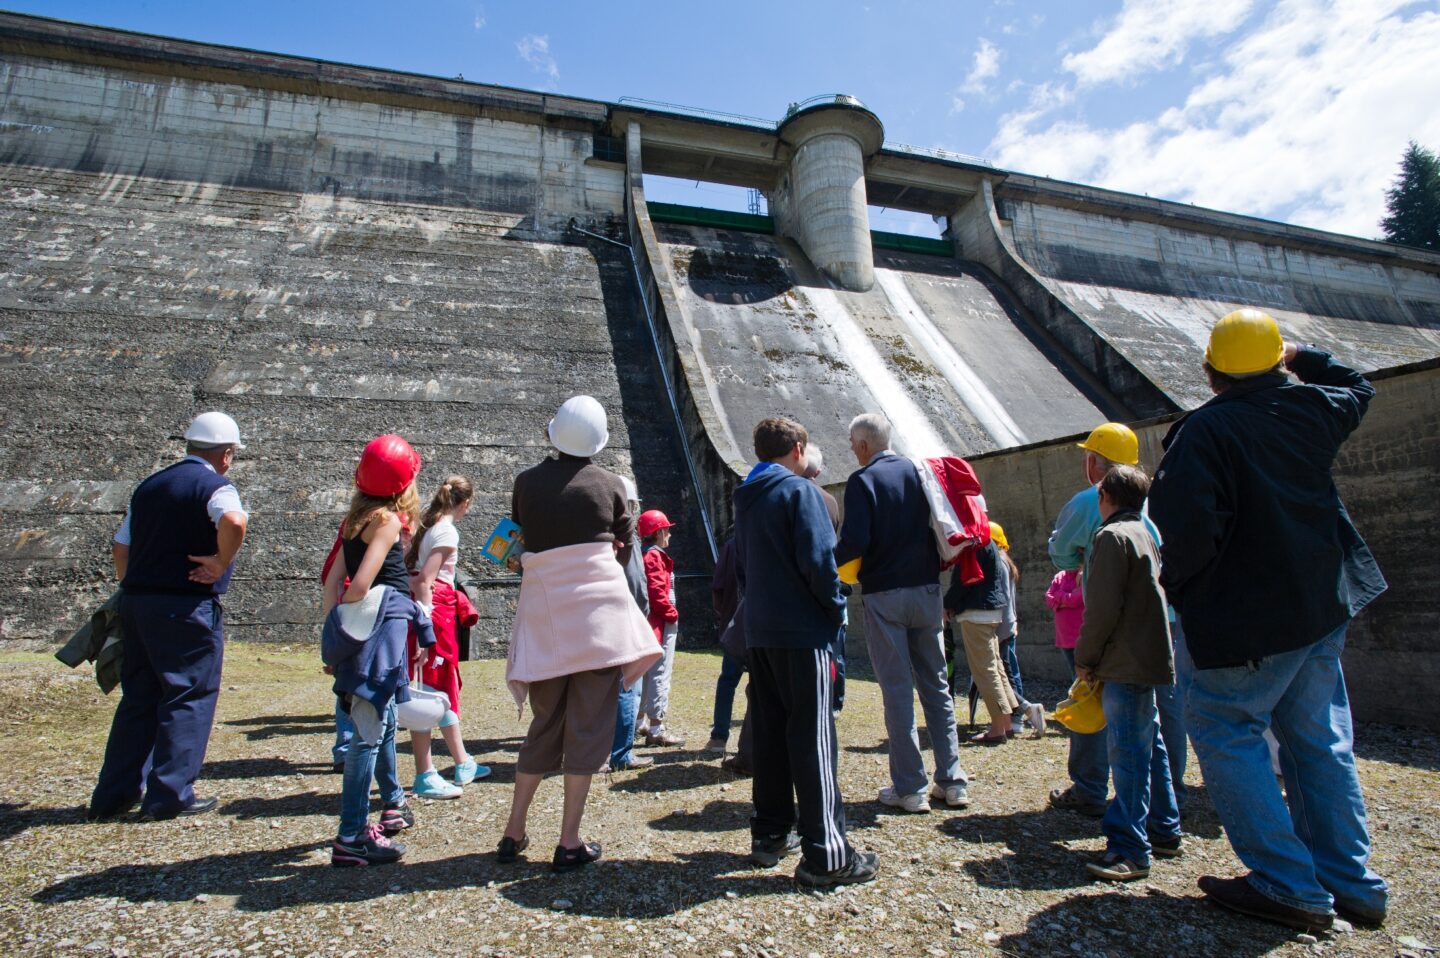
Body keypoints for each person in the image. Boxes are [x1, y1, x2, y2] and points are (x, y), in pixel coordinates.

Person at [1149, 310, 1388, 932]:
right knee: (1319, 741)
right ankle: (1351, 884)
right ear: (1278, 361)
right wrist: (1303, 354)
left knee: (1226, 727)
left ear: (1211, 372)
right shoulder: (1315, 409)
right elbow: (1359, 386)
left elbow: (1184, 532)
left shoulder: (1205, 431)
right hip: (1322, 604)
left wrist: (1182, 590)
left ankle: (1287, 885)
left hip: (1252, 617)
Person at [501, 396, 662, 871]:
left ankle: (513, 830)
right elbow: (622, 547)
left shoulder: (526, 483)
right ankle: (568, 840)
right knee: (589, 727)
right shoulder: (612, 485)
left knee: (544, 723)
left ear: (553, 434)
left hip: (546, 615)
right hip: (597, 623)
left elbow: (518, 536)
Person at [734, 416, 877, 887]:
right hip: (801, 631)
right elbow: (819, 562)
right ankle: (827, 855)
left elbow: (742, 567)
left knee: (771, 733)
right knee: (813, 737)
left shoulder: (747, 498)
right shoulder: (803, 494)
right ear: (797, 448)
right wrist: (837, 605)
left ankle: (771, 833)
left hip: (761, 630)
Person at [89, 412, 249, 822]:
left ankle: (114, 794)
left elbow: (120, 544)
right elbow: (234, 520)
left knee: (139, 696)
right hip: (186, 606)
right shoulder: (215, 486)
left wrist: (133, 586)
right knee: (188, 694)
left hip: (138, 603)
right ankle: (170, 794)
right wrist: (219, 561)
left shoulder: (149, 487)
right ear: (226, 454)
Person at [1045, 422, 1186, 819]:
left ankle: (1096, 793)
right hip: (1165, 612)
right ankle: (1168, 802)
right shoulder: (1151, 498)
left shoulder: (1092, 501)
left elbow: (1062, 554)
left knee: (1096, 697)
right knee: (1161, 710)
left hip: (1118, 622)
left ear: (1094, 463)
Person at [835, 413, 968, 813]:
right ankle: (953, 780)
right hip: (927, 589)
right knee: (937, 686)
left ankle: (911, 789)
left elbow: (855, 541)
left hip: (884, 594)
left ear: (861, 445)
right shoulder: (918, 471)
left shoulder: (863, 481)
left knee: (897, 691)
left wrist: (823, 561)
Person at [1073, 466, 1182, 882]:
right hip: (1147, 657)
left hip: (1123, 660)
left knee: (1129, 755)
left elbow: (1100, 609)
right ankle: (1164, 828)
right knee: (1149, 745)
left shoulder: (1110, 537)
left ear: (1106, 497)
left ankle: (1130, 849)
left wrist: (1086, 657)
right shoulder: (1144, 532)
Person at [322, 434, 427, 866]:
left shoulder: (355, 519)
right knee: (367, 736)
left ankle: (390, 807)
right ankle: (351, 836)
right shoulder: (386, 521)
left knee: (380, 727)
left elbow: (332, 584)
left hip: (361, 634)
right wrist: (360, 628)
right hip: (379, 633)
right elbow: (361, 585)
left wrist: (338, 636)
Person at [405, 475, 490, 797]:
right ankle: (430, 771)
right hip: (435, 611)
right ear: (465, 503)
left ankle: (460, 760)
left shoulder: (428, 525)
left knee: (435, 684)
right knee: (435, 685)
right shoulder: (446, 531)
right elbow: (426, 580)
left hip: (430, 608)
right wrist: (426, 625)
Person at [944, 535, 1021, 745]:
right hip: (991, 611)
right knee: (995, 668)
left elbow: (963, 580)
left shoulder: (972, 544)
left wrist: (946, 604)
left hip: (976, 612)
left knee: (984, 671)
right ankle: (1005, 722)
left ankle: (998, 728)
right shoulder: (987, 542)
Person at [604, 476, 656, 773]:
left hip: (597, 618)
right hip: (625, 617)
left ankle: (595, 751)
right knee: (628, 686)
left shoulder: (596, 534)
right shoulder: (628, 537)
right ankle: (621, 753)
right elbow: (636, 583)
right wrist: (643, 613)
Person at [636, 509, 686, 747]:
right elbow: (657, 593)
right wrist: (672, 614)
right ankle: (656, 727)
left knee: (644, 672)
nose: (669, 535)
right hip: (660, 622)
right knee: (659, 672)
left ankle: (639, 722)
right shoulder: (654, 556)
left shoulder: (642, 554)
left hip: (649, 622)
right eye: (666, 530)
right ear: (658, 532)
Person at [991, 522, 1045, 736]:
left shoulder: (998, 562)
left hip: (1001, 626)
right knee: (1009, 672)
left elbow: (1001, 596)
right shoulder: (1006, 562)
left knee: (1002, 674)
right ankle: (1018, 718)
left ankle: (1024, 711)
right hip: (1008, 624)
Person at [706, 531, 747, 754]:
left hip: (736, 625)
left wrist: (725, 617)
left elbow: (718, 587)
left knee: (728, 681)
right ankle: (755, 741)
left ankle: (719, 737)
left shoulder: (732, 546)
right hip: (765, 624)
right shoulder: (768, 537)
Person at [1045, 568, 1084, 678]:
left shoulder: (1084, 575)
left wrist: (1058, 596)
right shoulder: (1060, 575)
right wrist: (1066, 598)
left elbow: (1076, 599)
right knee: (1074, 674)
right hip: (1064, 637)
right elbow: (1048, 598)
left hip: (1081, 636)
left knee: (1085, 676)